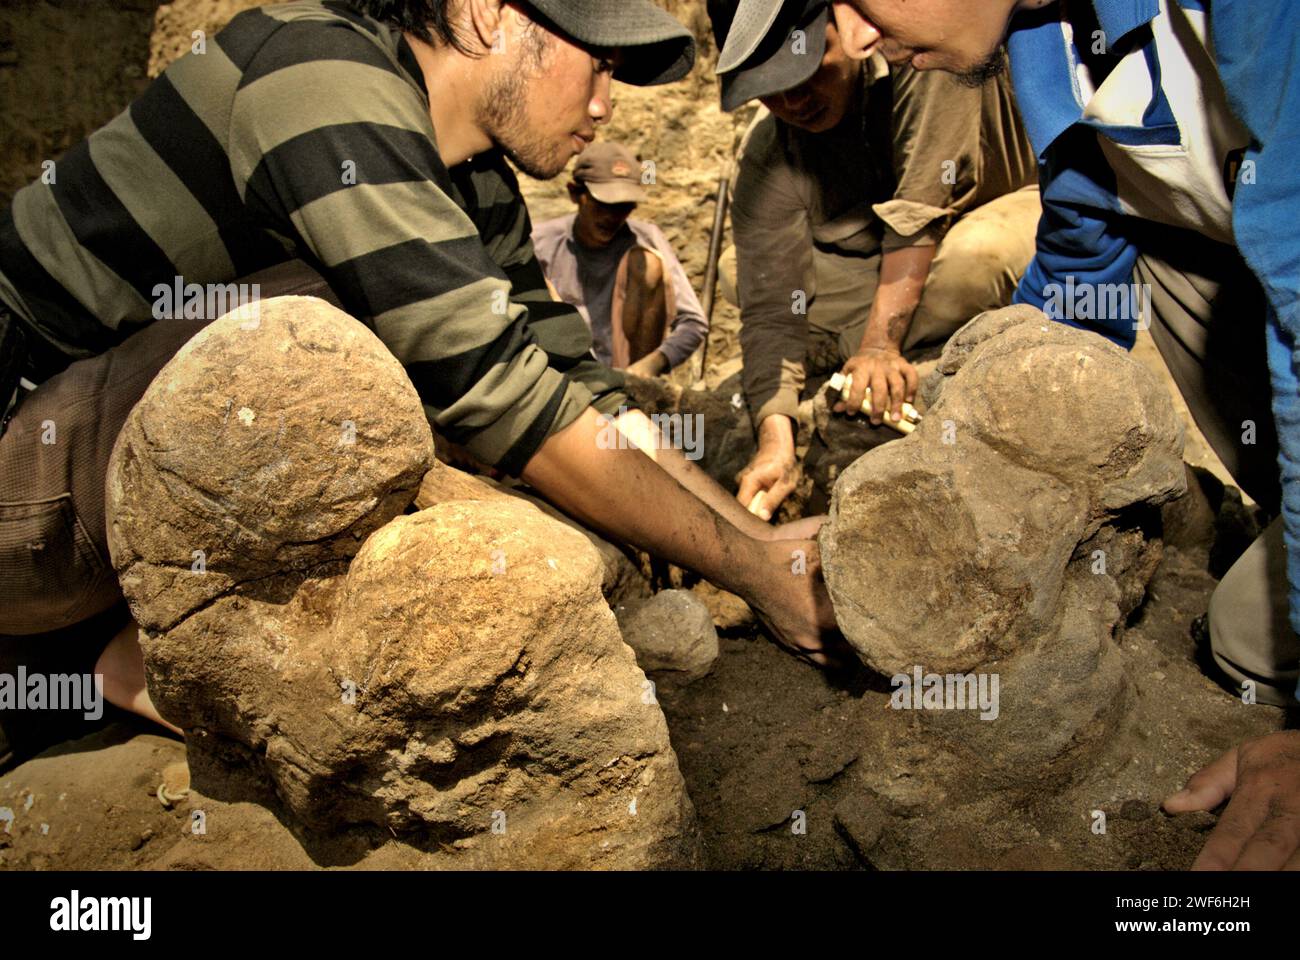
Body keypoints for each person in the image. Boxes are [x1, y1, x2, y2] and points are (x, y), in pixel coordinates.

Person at [0, 0, 839, 746]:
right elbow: (501, 392)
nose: (602, 107)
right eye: (597, 63)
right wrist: (747, 571)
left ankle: (103, 647)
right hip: (24, 461)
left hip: (100, 502)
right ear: (487, 13)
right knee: (330, 327)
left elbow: (573, 382)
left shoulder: (472, 180)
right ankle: (93, 647)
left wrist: (757, 544)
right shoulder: (320, 75)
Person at [790, 0, 1300, 870]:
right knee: (1248, 641)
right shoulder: (1042, 38)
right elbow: (1077, 268)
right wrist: (941, 461)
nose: (860, 38)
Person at [708, 0, 1040, 520]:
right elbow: (771, 309)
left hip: (1000, 209)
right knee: (739, 273)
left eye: (808, 67)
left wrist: (879, 347)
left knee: (974, 261)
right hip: (889, 256)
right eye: (770, 87)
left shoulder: (921, 58)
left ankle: (901, 350)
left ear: (850, 26)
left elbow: (920, 215)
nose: (794, 99)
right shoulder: (770, 152)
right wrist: (776, 437)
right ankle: (880, 346)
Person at [532, 141, 708, 379]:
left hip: (627, 374)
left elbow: (693, 323)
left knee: (647, 264)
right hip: (564, 374)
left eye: (622, 207)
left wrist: (652, 365)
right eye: (602, 205)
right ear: (576, 194)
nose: (611, 217)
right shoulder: (542, 242)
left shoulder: (646, 238)